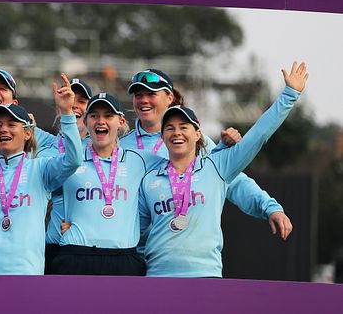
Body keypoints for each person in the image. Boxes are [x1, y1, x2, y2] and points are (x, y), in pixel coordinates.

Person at [138, 62, 307, 277]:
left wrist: (289, 94)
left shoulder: (216, 166)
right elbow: (139, 232)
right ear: (162, 137)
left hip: (205, 274)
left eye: (184, 127)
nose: (176, 133)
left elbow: (258, 136)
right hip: (157, 275)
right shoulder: (149, 178)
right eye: (170, 128)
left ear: (198, 134)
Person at [123, 69, 293, 240]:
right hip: (132, 252)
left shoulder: (194, 142)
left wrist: (269, 207)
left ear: (170, 98)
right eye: (138, 95)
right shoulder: (120, 146)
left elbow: (235, 181)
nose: (143, 100)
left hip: (179, 249)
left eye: (151, 94)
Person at [0, 73, 83, 275]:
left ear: (27, 133)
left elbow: (74, 159)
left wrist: (67, 112)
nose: (3, 130)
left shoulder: (41, 169)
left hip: (26, 273)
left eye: (11, 124)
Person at [49, 93, 160, 275]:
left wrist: (221, 146)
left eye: (108, 116)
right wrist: (66, 111)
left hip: (123, 259)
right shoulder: (70, 161)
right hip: (76, 255)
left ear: (121, 122)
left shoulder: (140, 160)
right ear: (85, 121)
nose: (101, 121)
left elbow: (180, 160)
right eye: (94, 116)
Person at [38, 78, 93, 273]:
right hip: (51, 243)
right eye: (68, 98)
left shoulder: (101, 151)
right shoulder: (43, 148)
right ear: (58, 107)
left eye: (81, 101)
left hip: (88, 246)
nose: (73, 104)